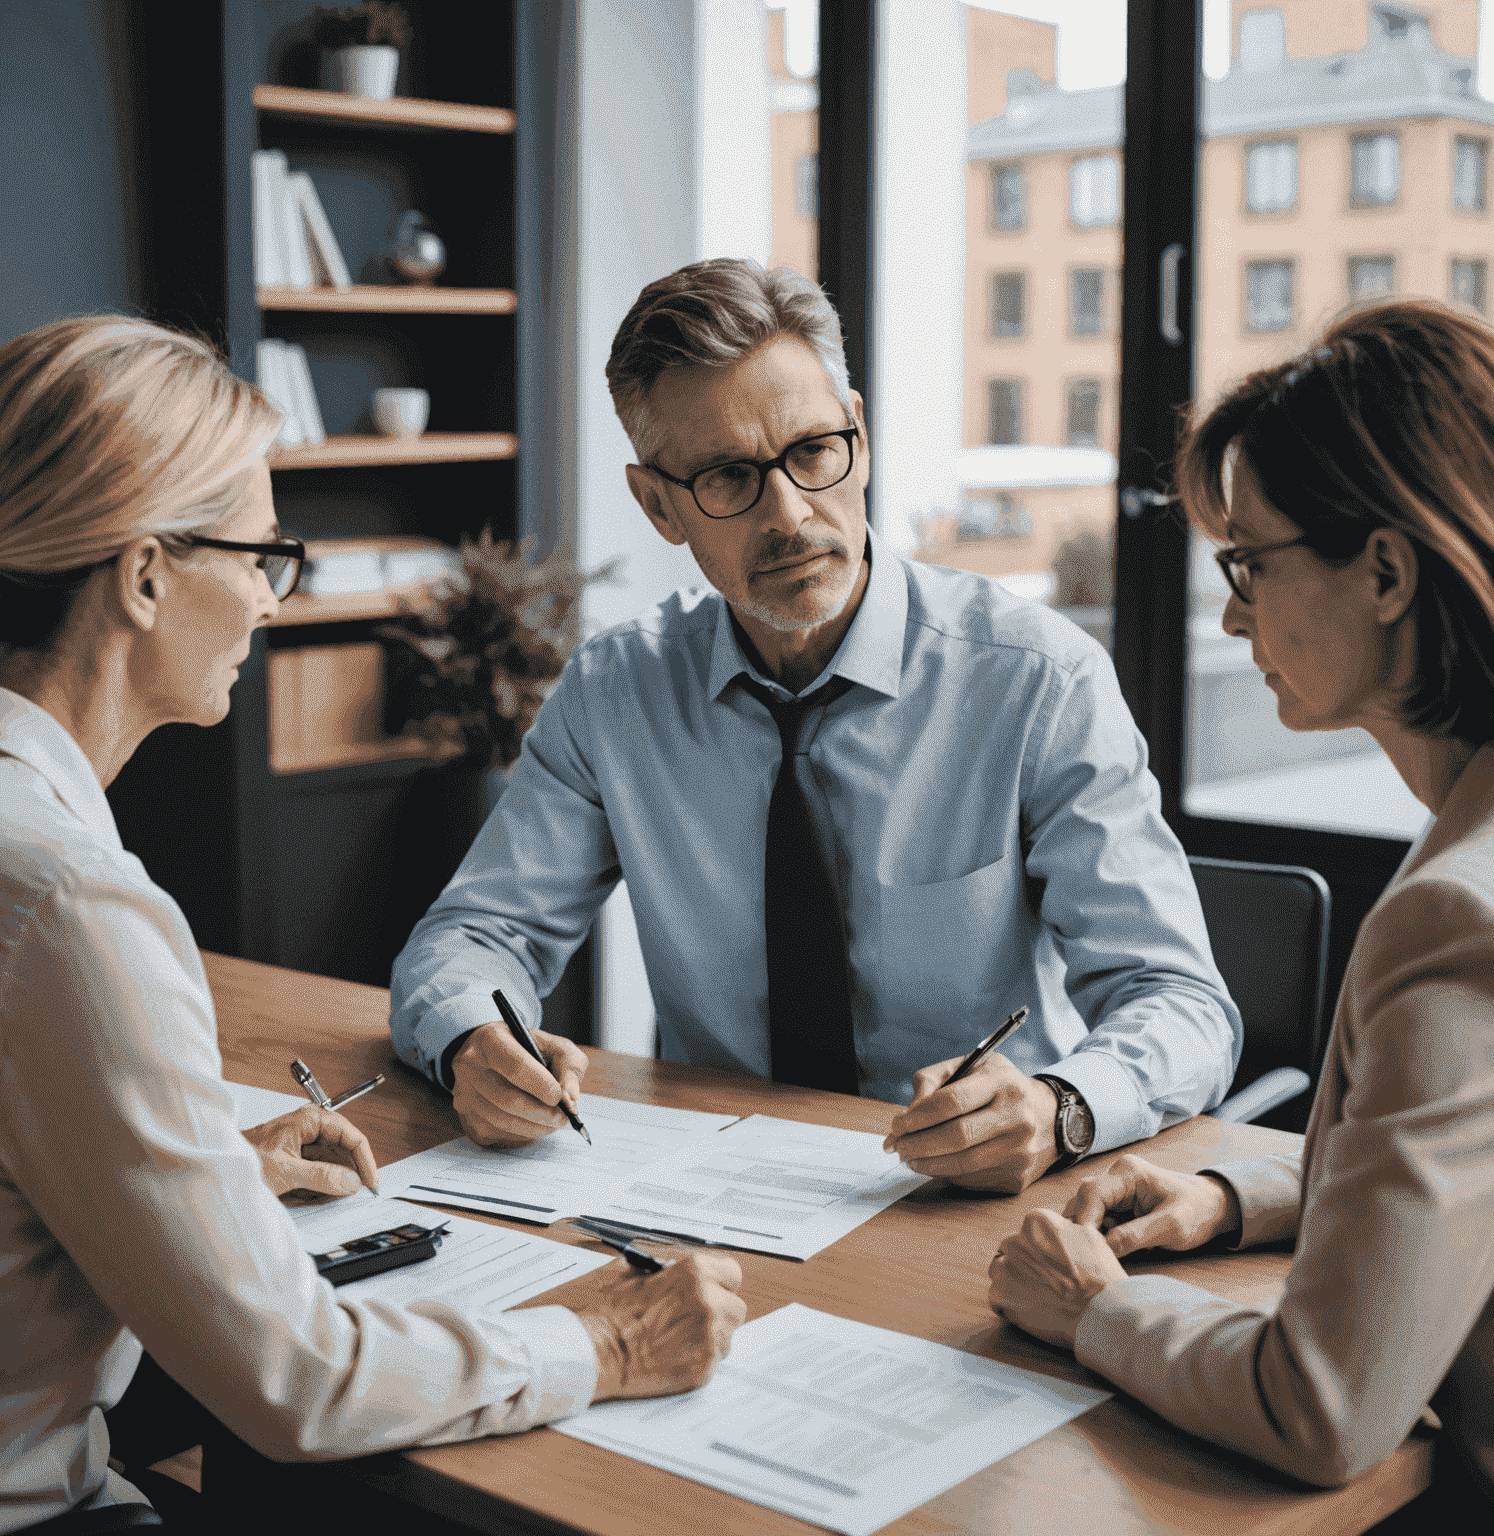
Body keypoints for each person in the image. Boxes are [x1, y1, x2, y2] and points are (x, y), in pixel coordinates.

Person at [0, 316, 746, 1534]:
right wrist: (602, 1342)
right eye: (260, 555)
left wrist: (196, 1183)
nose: (269, 600)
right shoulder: (72, 908)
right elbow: (298, 1383)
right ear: (142, 576)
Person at [391, 256, 1240, 1195]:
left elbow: (1181, 1003)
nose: (790, 516)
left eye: (812, 453)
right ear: (657, 505)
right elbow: (472, 935)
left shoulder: (1038, 682)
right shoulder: (615, 692)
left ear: (860, 437)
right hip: (706, 1184)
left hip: (966, 1200)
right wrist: (475, 1040)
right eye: (727, 477)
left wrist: (1061, 1107)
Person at [987, 298, 1494, 1531]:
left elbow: (1323, 1409)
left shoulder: (1468, 921)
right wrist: (1242, 1196)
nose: (1231, 616)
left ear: (1386, 569)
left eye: (1247, 563)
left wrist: (1094, 1309)